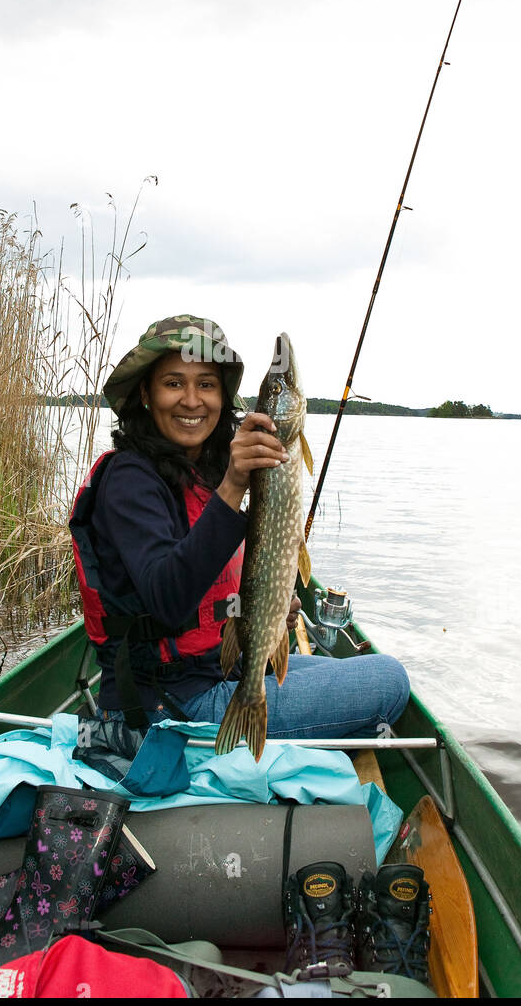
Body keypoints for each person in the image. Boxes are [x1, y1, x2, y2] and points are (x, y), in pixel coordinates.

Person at [69, 315, 409, 739]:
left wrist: (260, 612)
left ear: (222, 396)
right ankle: (257, 736)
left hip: (215, 673)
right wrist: (233, 485)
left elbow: (212, 591)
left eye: (206, 384)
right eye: (174, 382)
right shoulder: (127, 481)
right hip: (165, 705)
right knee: (389, 680)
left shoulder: (193, 478)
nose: (192, 401)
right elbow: (167, 600)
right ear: (145, 393)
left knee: (356, 670)